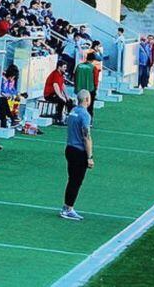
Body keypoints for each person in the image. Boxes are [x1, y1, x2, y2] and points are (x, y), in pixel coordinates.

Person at [61, 90, 93, 221]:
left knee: (72, 179)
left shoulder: (73, 111)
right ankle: (68, 208)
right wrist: (90, 157)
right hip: (79, 151)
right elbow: (86, 136)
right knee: (76, 181)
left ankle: (66, 206)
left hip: (69, 148)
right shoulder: (85, 115)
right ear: (86, 99)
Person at [44, 61, 71, 125]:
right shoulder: (55, 74)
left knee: (69, 101)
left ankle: (69, 117)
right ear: (59, 67)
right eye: (64, 67)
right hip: (49, 95)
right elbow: (55, 85)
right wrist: (61, 96)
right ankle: (59, 118)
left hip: (55, 94)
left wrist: (67, 96)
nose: (65, 69)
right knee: (61, 101)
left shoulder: (61, 75)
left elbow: (62, 85)